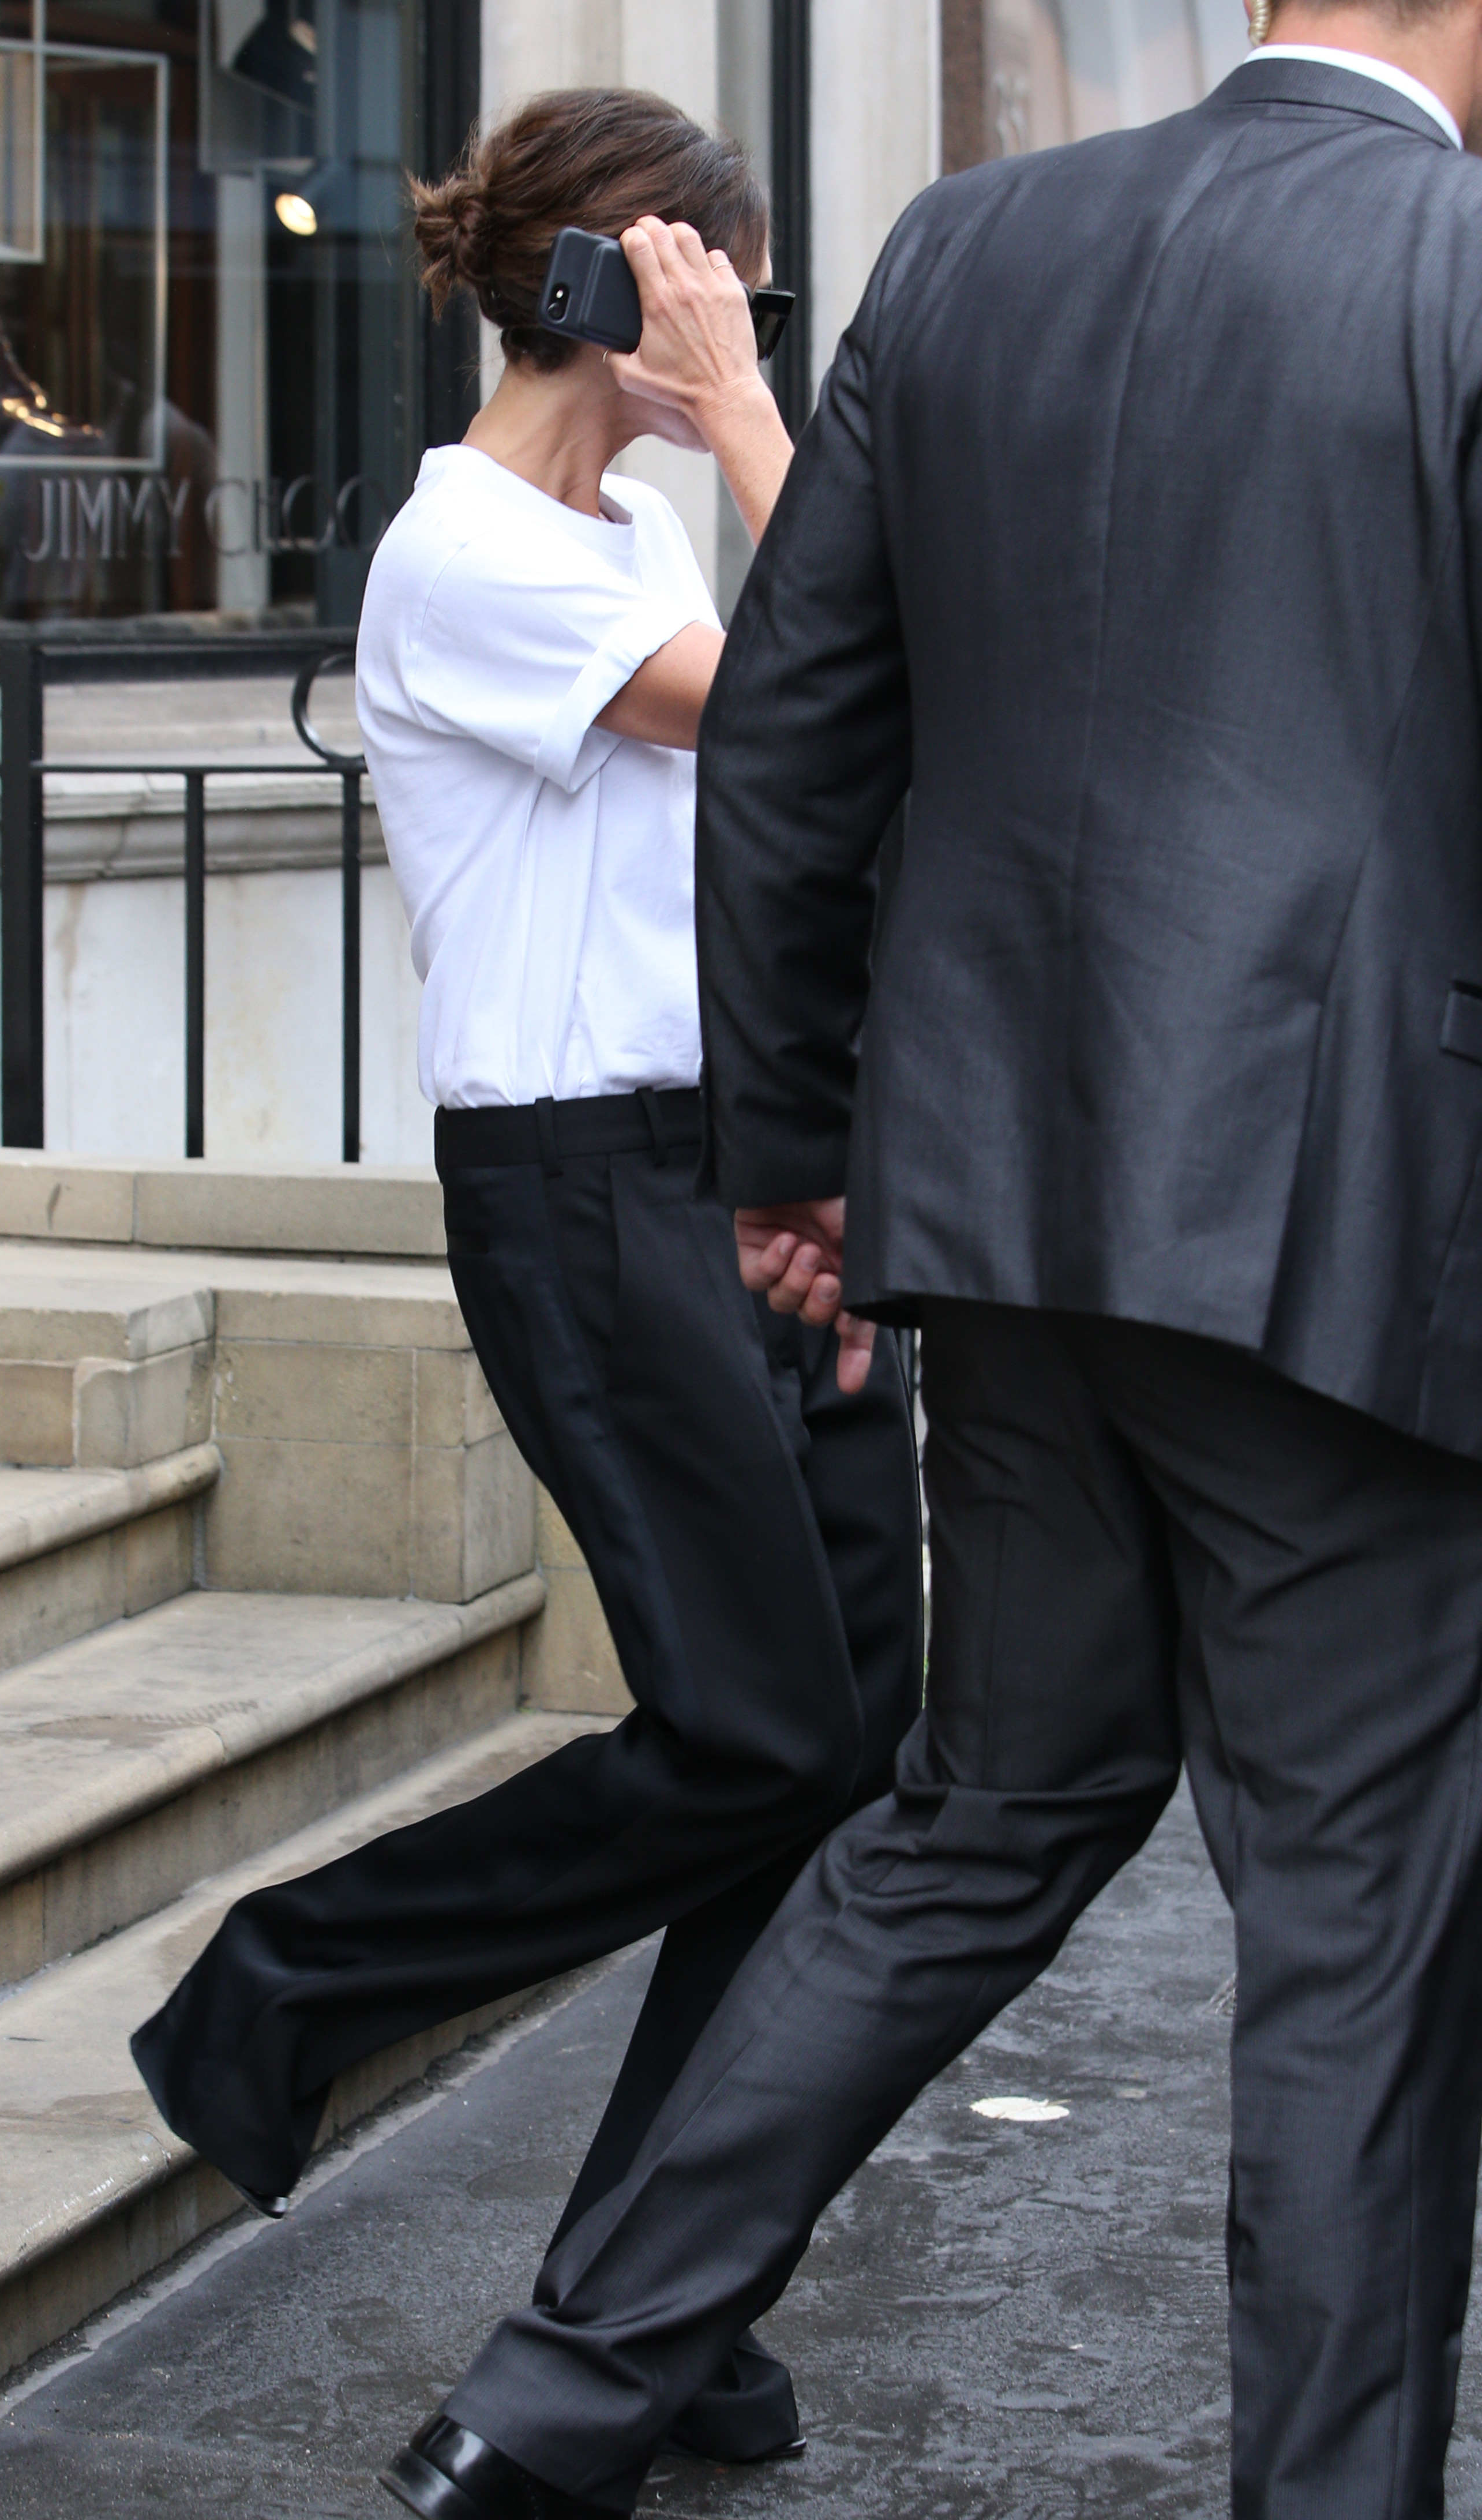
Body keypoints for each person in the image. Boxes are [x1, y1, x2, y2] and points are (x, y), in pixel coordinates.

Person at [378, 7, 1482, 2518]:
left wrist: (804, 1154)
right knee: (1350, 1929)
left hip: (1001, 1214)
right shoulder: (1450, 266)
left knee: (979, 1818)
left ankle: (541, 2406)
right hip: (1341, 1231)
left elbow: (799, 731)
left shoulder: (971, 248)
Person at [129, 87, 924, 2474]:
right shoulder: (468, 550)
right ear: (610, 282)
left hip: (747, 1170)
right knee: (756, 1733)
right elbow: (825, 693)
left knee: (840, 1755)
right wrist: (758, 416)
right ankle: (286, 1981)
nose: (744, 327)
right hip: (582, 1195)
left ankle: (651, 2296)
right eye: (718, 288)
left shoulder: (630, 536)